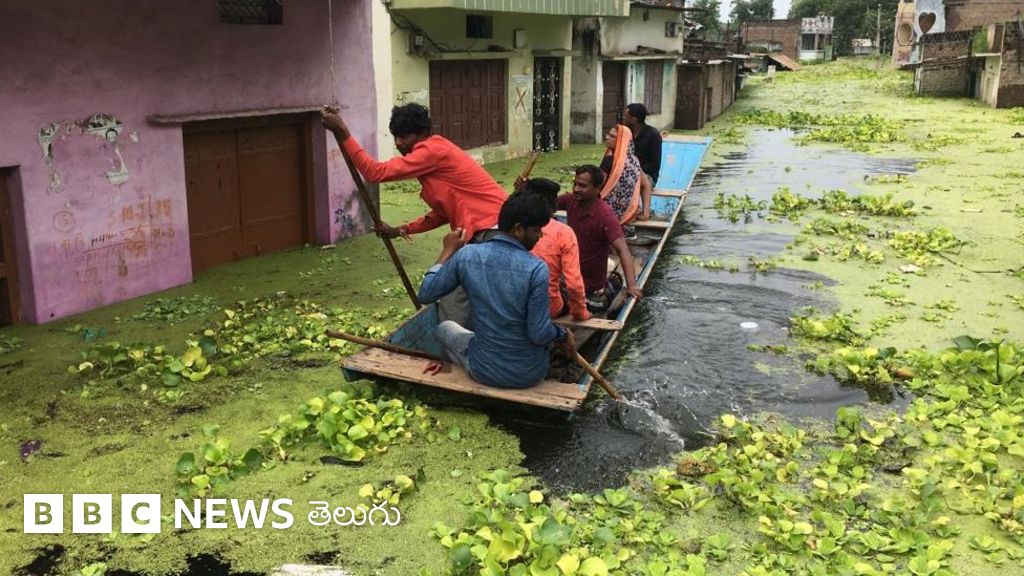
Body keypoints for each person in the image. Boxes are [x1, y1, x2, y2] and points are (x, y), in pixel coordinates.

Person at [417, 194, 576, 389]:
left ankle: (451, 369)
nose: (540, 236)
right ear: (518, 230)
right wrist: (562, 333)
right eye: (536, 230)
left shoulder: (467, 255)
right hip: (529, 374)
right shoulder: (537, 268)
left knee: (445, 328)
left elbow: (426, 293)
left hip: (484, 370)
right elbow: (539, 333)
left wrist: (448, 250)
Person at [321, 103, 506, 242]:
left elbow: (375, 173)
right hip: (484, 229)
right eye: (395, 136)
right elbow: (442, 214)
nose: (398, 143)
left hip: (493, 228)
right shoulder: (429, 160)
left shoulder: (431, 151)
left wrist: (343, 132)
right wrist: (399, 231)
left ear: (423, 133)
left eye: (404, 136)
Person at [558, 165, 643, 314]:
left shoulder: (605, 216)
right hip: (569, 276)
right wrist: (524, 190)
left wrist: (631, 286)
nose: (576, 189)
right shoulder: (571, 200)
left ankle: (609, 290)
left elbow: (622, 249)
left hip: (589, 284)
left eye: (582, 186)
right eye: (575, 184)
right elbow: (544, 203)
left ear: (597, 188)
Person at [521, 178, 589, 321]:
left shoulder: (513, 227)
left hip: (514, 306)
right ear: (555, 205)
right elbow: (574, 284)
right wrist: (580, 314)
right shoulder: (563, 232)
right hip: (548, 308)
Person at [599, 125, 653, 230]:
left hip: (608, 212)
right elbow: (646, 185)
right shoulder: (633, 161)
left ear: (621, 141)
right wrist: (645, 213)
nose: (607, 137)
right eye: (608, 134)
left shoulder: (609, 161)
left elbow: (597, 186)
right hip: (630, 213)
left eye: (612, 136)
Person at [623, 103, 662, 186]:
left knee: (628, 183)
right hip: (627, 173)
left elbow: (655, 165)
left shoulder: (653, 135)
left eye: (626, 116)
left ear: (634, 120)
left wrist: (633, 169)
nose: (623, 118)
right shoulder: (626, 133)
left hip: (647, 175)